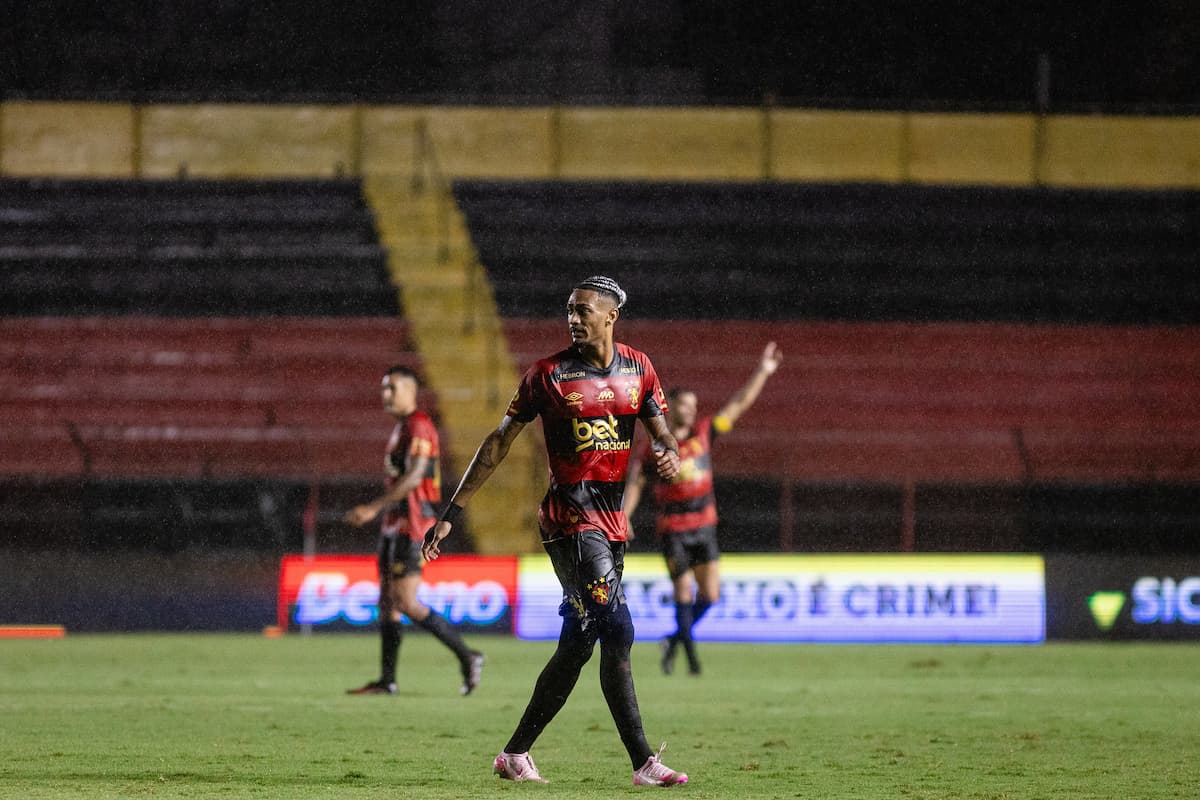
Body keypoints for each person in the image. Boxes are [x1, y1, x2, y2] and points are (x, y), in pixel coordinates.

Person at [423, 276, 689, 787]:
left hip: (611, 523)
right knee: (619, 628)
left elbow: (662, 435)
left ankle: (514, 755)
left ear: (610, 316)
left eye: (583, 310)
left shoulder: (640, 368)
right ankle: (643, 763)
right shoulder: (547, 375)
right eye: (569, 309)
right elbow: (498, 442)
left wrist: (668, 454)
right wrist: (453, 509)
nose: (573, 318)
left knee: (580, 642)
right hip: (570, 521)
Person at [623, 342, 782, 676]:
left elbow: (738, 404)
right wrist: (625, 515)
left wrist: (763, 371)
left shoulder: (705, 433)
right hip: (673, 529)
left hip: (704, 526)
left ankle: (672, 641)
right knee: (683, 590)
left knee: (710, 595)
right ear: (670, 407)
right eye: (685, 405)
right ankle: (692, 662)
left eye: (694, 405)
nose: (692, 410)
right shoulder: (653, 445)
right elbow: (636, 482)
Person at [344, 364, 484, 696]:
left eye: (392, 388)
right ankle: (387, 680)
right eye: (384, 388)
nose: (386, 394)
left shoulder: (419, 425)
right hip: (394, 523)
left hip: (413, 524)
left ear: (411, 390)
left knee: (405, 601)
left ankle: (468, 655)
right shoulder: (402, 427)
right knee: (387, 602)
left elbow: (415, 476)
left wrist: (374, 507)